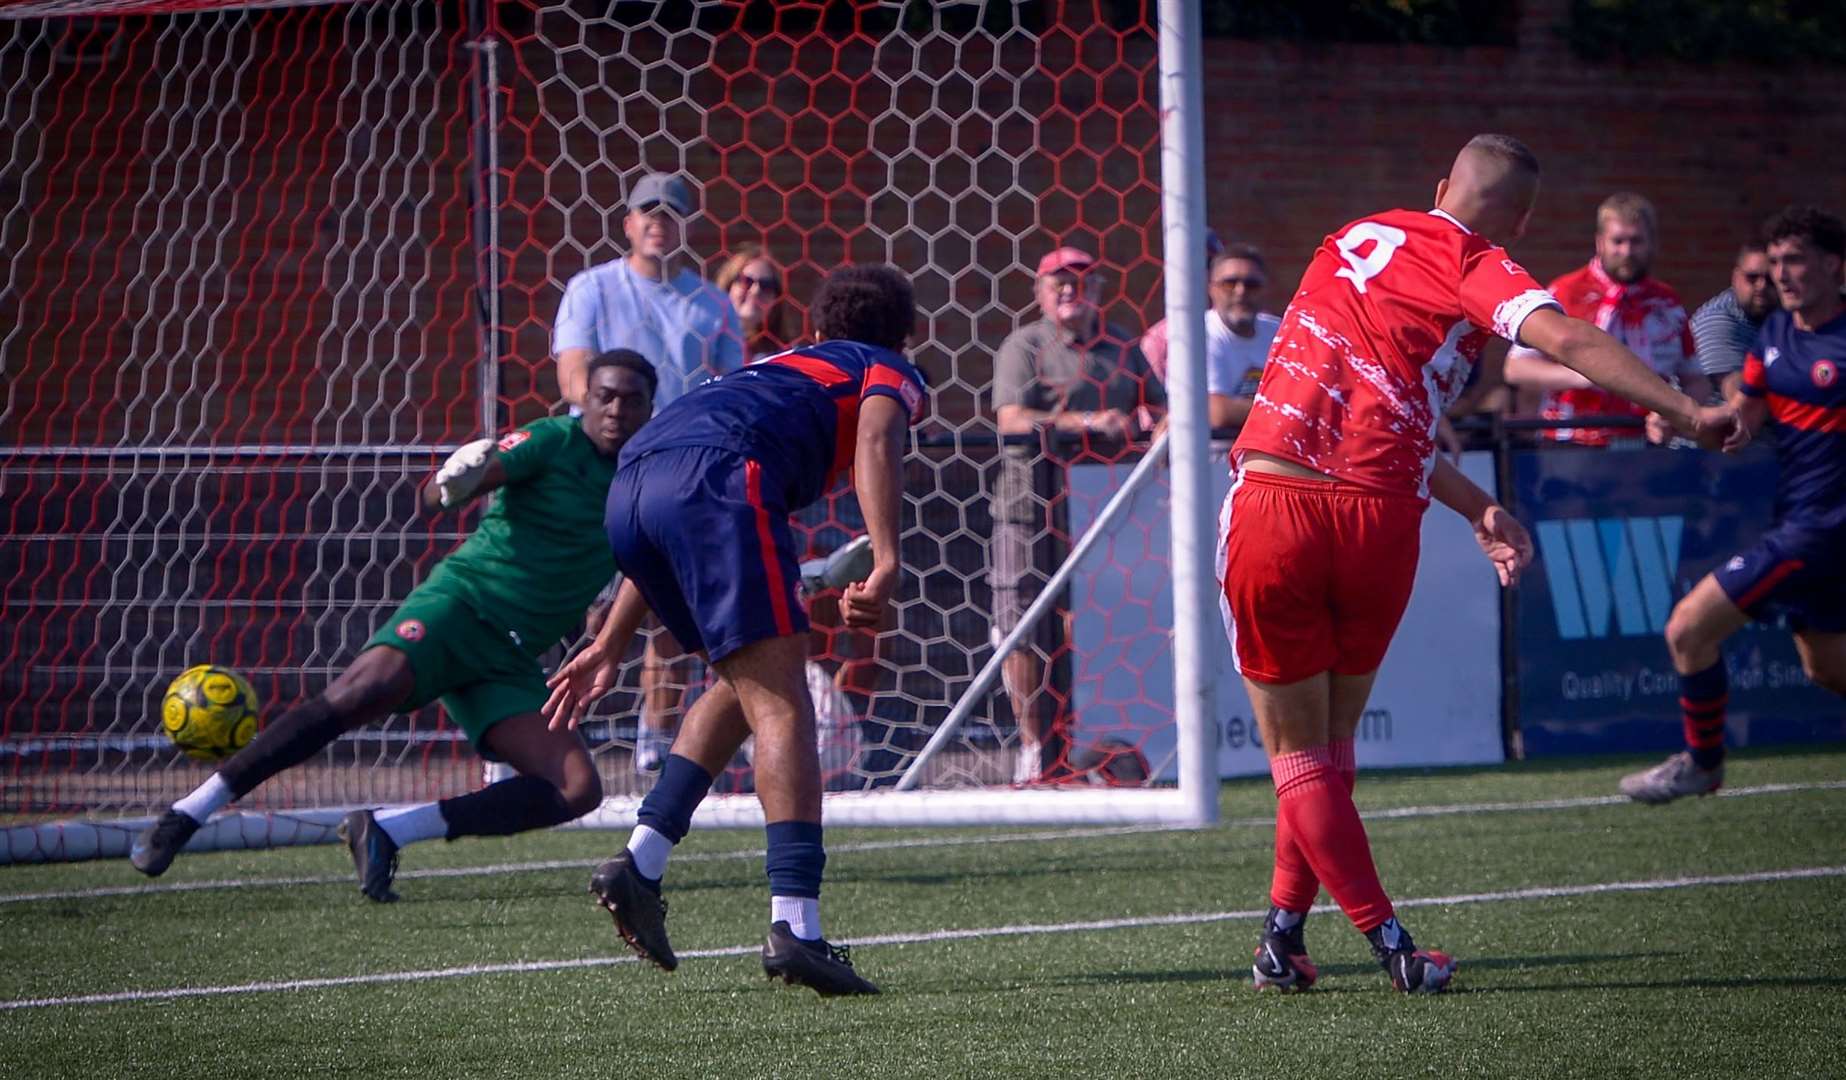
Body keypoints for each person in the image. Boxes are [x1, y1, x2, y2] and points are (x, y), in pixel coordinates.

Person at [1222, 135, 1735, 994]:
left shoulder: (1352, 237)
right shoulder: (1473, 261)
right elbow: (1565, 336)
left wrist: (1476, 504)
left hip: (1280, 500)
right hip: (1379, 520)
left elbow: (1372, 404)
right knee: (1329, 749)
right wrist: (1687, 409)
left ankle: (1391, 946)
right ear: (1521, 221)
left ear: (1438, 187)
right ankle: (1281, 937)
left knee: (1300, 755)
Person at [130, 352, 660, 898]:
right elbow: (437, 495)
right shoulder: (552, 439)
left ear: (650, 409)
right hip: (460, 607)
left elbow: (647, 567)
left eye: (631, 400)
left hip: (509, 659)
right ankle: (186, 815)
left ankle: (387, 829)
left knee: (577, 788)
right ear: (585, 400)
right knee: (358, 693)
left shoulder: (645, 479)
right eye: (605, 397)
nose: (616, 409)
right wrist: (453, 479)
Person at [544, 265, 925, 996]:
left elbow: (675, 470)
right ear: (906, 336)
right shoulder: (886, 365)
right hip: (721, 482)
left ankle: (640, 861)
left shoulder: (771, 366)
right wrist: (885, 558)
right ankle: (797, 928)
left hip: (632, 488)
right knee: (784, 701)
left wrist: (613, 639)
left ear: (815, 331)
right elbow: (877, 436)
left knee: (745, 679)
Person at [1620, 207, 1846, 804]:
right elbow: (1739, 423)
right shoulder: (1774, 335)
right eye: (1774, 264)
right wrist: (1677, 417)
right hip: (1800, 523)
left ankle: (1703, 762)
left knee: (1687, 629)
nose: (1782, 275)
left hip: (1818, 533)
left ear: (1833, 265)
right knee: (1826, 669)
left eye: (1794, 260)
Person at [551, 172, 744, 775]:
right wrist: (615, 436)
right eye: (647, 212)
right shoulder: (592, 289)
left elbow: (731, 387)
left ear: (686, 226)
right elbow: (575, 376)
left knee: (668, 606)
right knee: (587, 604)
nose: (659, 222)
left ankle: (653, 742)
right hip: (604, 470)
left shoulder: (709, 302)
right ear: (628, 222)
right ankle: (560, 727)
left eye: (671, 213)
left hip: (678, 475)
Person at [991, 245, 1165, 783]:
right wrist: (1089, 421)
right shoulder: (1024, 345)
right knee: (1021, 626)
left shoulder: (1122, 347)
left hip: (1102, 507)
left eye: (1081, 280)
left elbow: (1158, 409)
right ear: (1039, 292)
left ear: (1099, 289)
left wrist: (1150, 426)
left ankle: (1085, 745)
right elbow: (1011, 420)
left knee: (1086, 625)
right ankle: (1031, 748)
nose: (1069, 289)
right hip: (1028, 508)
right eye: (1057, 281)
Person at [1504, 192, 1713, 445]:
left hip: (1645, 440)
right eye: (1618, 241)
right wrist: (1586, 372)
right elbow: (1516, 368)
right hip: (1572, 438)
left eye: (1636, 241)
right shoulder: (1565, 292)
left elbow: (1696, 379)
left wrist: (1676, 413)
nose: (1627, 251)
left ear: (1652, 243)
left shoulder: (1667, 302)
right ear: (1600, 242)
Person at [1690, 240, 1779, 401]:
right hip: (1719, 420)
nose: (1762, 285)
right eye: (1752, 277)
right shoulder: (1717, 320)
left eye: (1771, 279)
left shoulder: (1780, 316)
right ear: (1736, 277)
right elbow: (1738, 394)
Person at [716, 243, 801, 362]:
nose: (756, 291)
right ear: (728, 286)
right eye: (747, 281)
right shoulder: (709, 347)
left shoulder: (787, 357)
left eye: (767, 285)